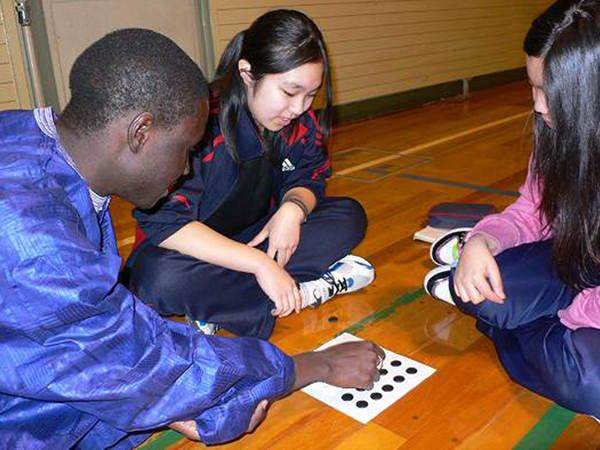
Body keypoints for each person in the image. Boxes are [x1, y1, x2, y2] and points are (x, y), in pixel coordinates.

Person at [0, 28, 385, 448]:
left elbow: (103, 341)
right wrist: (310, 367)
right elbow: (134, 366)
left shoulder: (26, 137)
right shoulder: (34, 242)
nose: (186, 168)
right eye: (185, 148)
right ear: (140, 132)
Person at [127, 9, 374, 339]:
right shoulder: (198, 122)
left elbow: (309, 177)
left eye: (311, 95)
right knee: (157, 276)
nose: (300, 107)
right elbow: (163, 222)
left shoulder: (298, 123)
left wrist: (293, 209)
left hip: (255, 237)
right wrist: (260, 265)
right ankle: (296, 289)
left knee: (349, 215)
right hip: (191, 251)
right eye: (289, 92)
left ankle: (223, 302)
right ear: (247, 73)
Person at [424, 0, 600, 419]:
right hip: (576, 262)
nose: (538, 106)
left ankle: (508, 330)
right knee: (482, 291)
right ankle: (480, 283)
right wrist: (482, 239)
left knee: (592, 383)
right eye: (533, 87)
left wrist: (569, 313)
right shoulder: (560, 133)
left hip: (584, 298)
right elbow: (531, 211)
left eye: (550, 92)